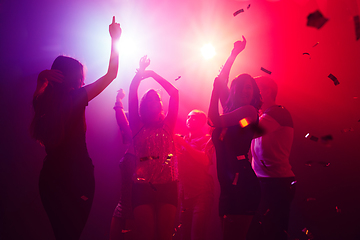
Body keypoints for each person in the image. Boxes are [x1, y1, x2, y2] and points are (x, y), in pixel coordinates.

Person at [30, 17, 121, 240]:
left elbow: (38, 96)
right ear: (75, 78)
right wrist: (115, 40)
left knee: (62, 234)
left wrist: (42, 79)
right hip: (78, 178)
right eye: (81, 78)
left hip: (50, 180)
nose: (83, 82)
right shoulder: (76, 97)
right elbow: (111, 74)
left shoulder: (43, 102)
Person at [208, 37, 262, 240]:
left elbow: (214, 119)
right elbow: (222, 80)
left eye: (251, 87)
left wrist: (214, 91)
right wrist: (233, 54)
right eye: (243, 86)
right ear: (235, 89)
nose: (248, 90)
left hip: (242, 183)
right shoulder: (231, 108)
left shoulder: (249, 112)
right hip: (227, 185)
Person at [128, 56, 179, 240]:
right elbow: (133, 91)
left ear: (160, 104)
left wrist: (153, 75)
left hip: (168, 185)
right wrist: (140, 75)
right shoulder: (137, 125)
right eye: (149, 100)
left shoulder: (168, 125)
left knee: (165, 235)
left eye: (156, 99)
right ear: (144, 105)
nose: (154, 102)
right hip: (142, 187)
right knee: (146, 236)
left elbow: (174, 93)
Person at [247, 76, 295, 240]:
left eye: (253, 89)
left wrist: (236, 116)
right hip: (264, 181)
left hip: (276, 182)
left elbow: (249, 132)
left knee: (273, 232)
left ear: (265, 92)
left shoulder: (278, 112)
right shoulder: (263, 115)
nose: (249, 93)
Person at [174, 109, 214, 240]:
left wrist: (183, 144)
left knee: (197, 234)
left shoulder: (207, 139)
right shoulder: (182, 139)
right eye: (188, 117)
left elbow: (205, 160)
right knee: (183, 234)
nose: (190, 119)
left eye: (194, 117)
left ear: (202, 122)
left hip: (201, 193)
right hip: (184, 194)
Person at [110, 89, 135, 240]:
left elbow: (121, 120)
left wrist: (119, 99)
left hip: (136, 204)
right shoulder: (131, 144)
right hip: (123, 202)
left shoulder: (138, 138)